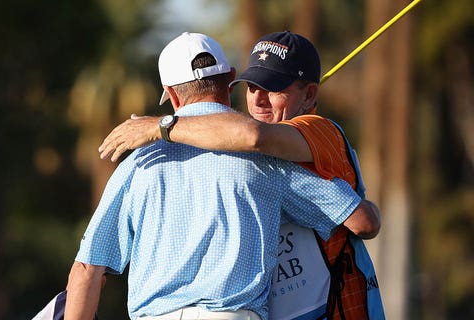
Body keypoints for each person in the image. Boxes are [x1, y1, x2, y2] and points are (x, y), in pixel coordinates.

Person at [65, 32, 380, 320]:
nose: (258, 99)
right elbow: (363, 221)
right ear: (231, 81)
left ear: (171, 95)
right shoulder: (269, 159)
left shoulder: (137, 165)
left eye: (272, 89)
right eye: (253, 87)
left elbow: (85, 272)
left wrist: (158, 126)